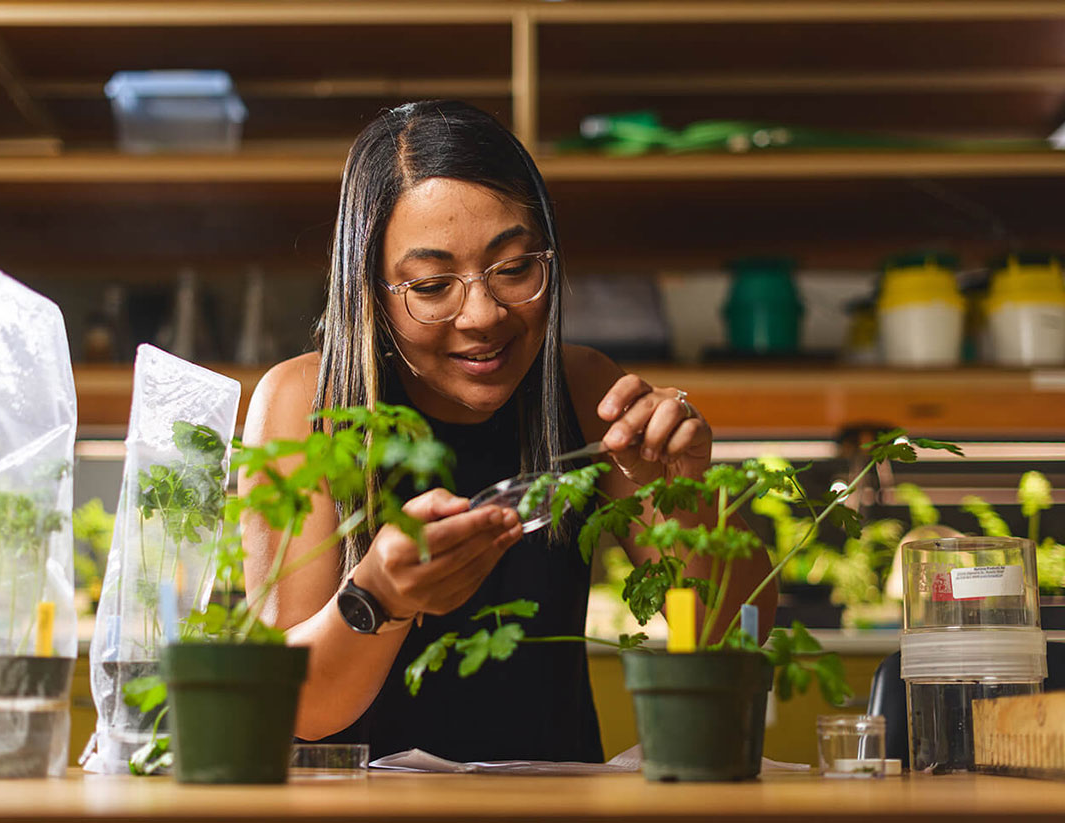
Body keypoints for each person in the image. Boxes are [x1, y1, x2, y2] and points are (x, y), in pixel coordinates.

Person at [241, 100, 777, 763]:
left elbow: (736, 643)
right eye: (434, 285)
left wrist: (691, 490)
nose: (483, 314)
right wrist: (381, 596)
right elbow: (291, 706)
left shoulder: (585, 390)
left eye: (515, 269)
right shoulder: (305, 404)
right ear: (369, 292)